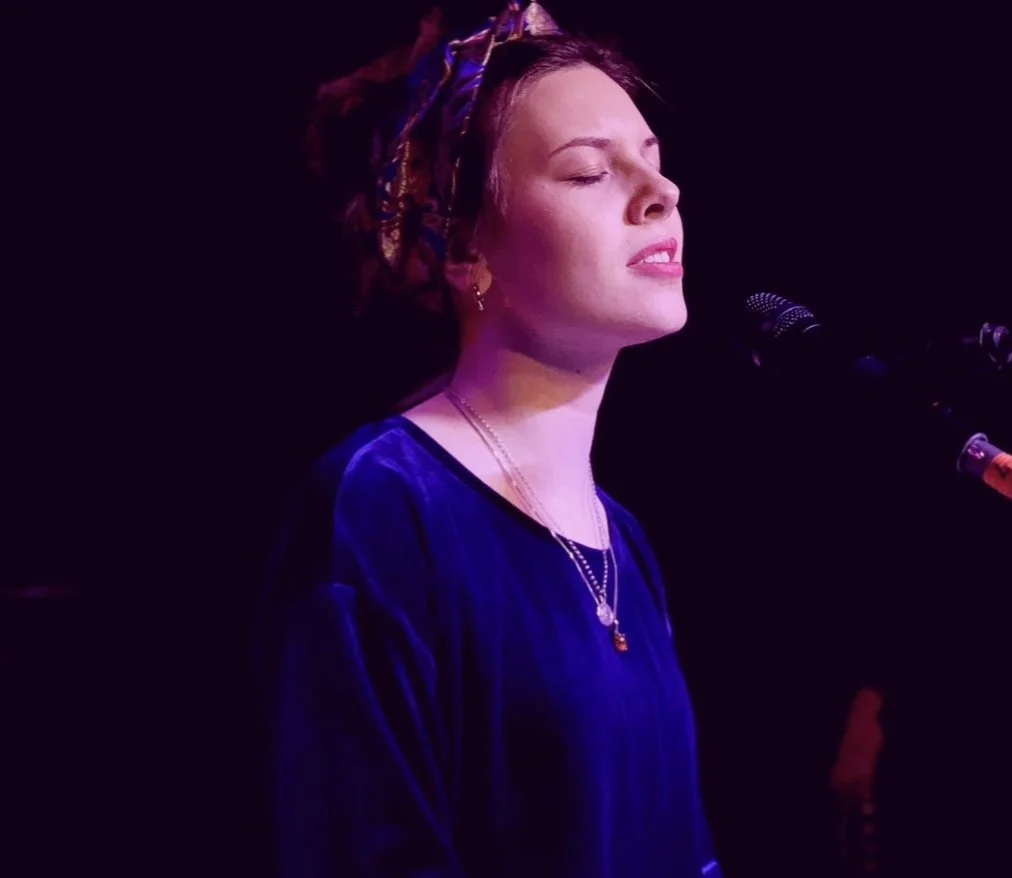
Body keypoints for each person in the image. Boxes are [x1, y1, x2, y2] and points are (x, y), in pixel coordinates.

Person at [253, 3, 721, 876]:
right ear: (468, 249)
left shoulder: (624, 542)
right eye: (588, 174)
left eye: (653, 162)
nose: (663, 193)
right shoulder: (381, 507)